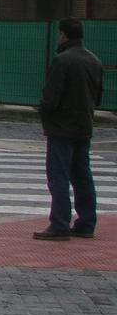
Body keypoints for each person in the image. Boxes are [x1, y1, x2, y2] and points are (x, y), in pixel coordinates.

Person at [33, 18, 104, 241]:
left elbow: (51, 97)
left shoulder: (62, 61)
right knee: (83, 175)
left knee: (59, 176)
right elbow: (98, 97)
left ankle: (60, 224)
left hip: (61, 127)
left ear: (63, 35)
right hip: (84, 125)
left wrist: (44, 111)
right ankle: (86, 222)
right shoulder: (94, 60)